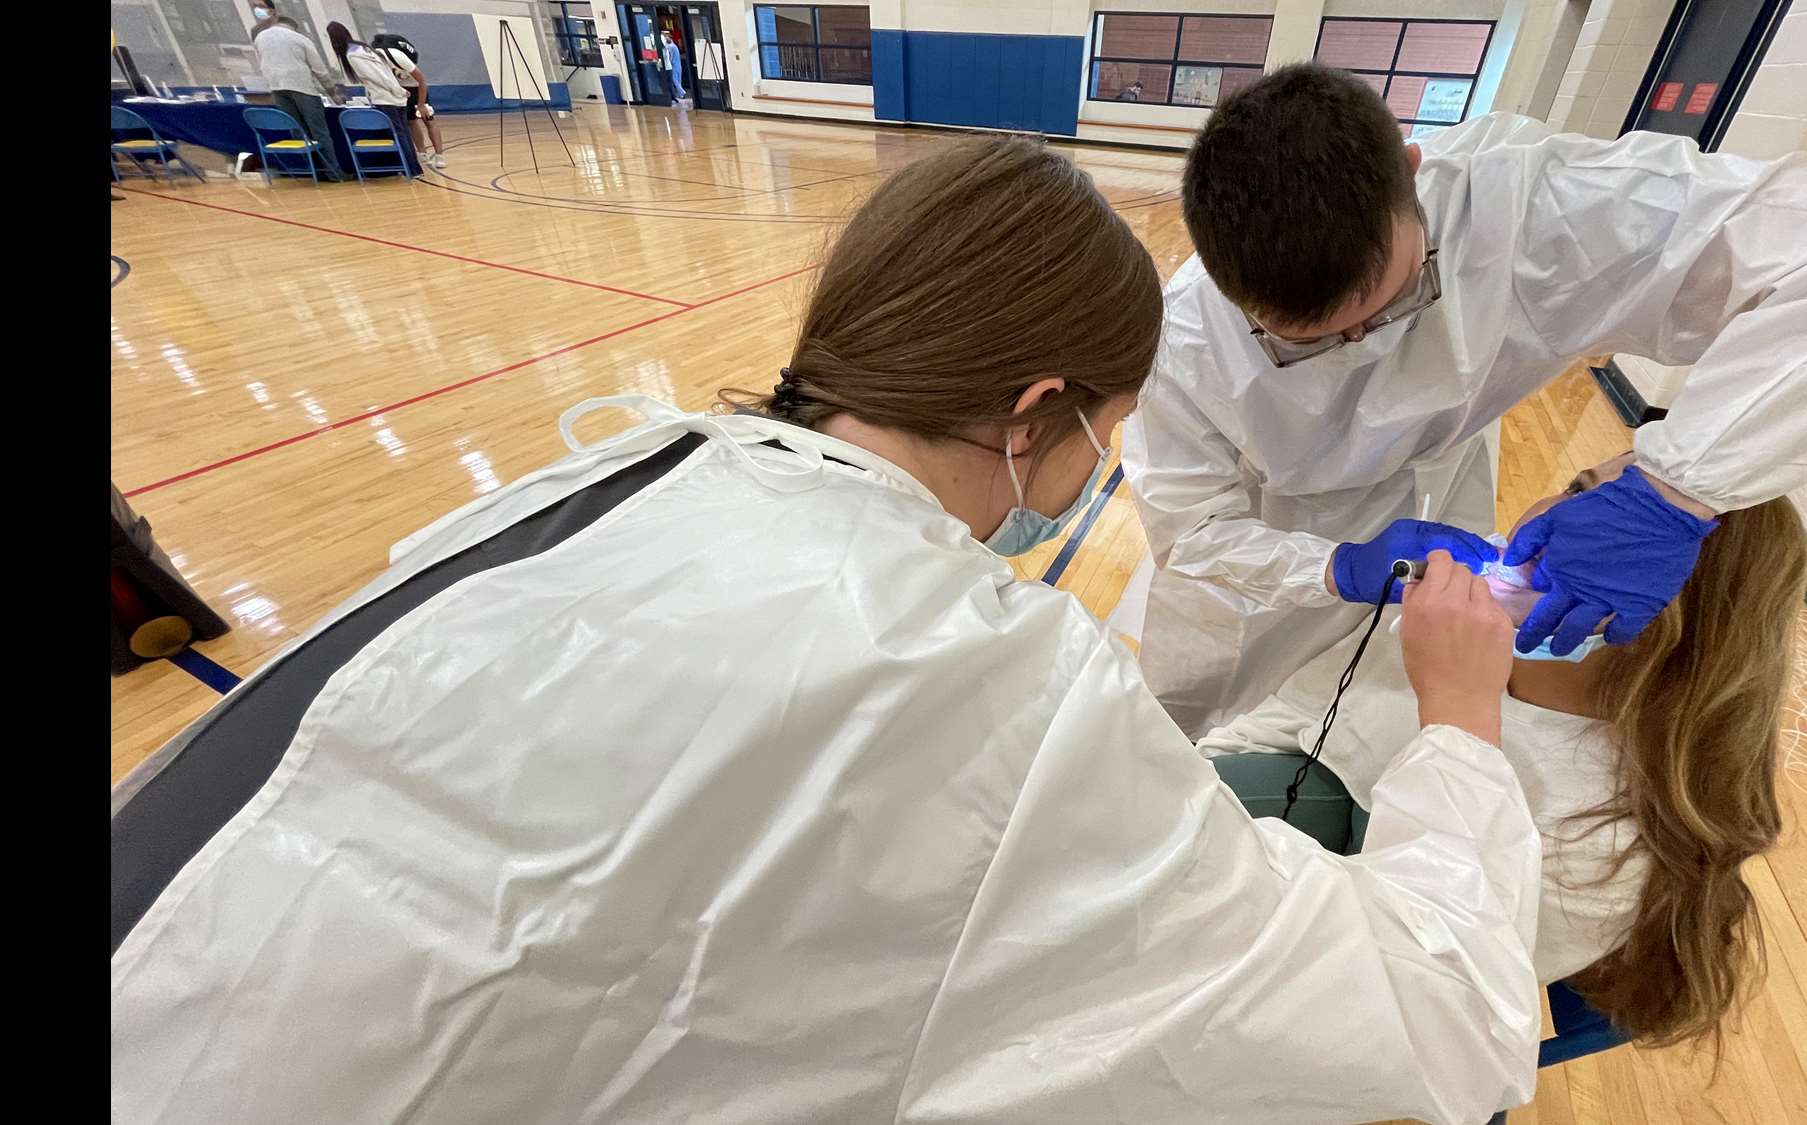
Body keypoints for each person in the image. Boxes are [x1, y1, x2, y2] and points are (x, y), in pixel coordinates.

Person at [112, 139, 1544, 1125]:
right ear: (1038, 412)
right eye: (1105, 434)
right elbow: (1424, 1013)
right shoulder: (977, 670)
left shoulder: (626, 467)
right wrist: (1462, 727)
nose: (1102, 472)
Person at [1121, 63, 1807, 734]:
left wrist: (1674, 490)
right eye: (1309, 345)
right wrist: (1339, 564)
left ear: (1414, 175)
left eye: (1393, 305)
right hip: (1275, 541)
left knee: (1397, 711)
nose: (1367, 350)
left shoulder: (1534, 208)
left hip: (1438, 487)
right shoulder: (1186, 342)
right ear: (1222, 283)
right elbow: (1192, 533)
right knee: (1203, 724)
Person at [1198, 449, 1807, 1049]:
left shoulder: (1604, 837)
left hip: (1397, 1002)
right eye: (1576, 489)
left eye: (1607, 535)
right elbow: (1292, 719)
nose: (1557, 523)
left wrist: (1456, 712)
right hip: (1326, 880)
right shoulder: (1459, 626)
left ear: (1673, 613)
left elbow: (1412, 1006)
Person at [248, 2, 349, 181]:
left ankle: (314, 172)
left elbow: (263, 63)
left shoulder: (260, 38)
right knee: (319, 132)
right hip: (303, 88)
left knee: (298, 132)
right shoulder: (299, 38)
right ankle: (334, 173)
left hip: (277, 88)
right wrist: (332, 93)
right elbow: (320, 70)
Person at [326, 21, 416, 167]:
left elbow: (378, 77)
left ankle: (410, 168)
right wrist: (398, 89)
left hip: (386, 98)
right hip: (395, 97)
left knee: (399, 134)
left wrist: (397, 89)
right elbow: (384, 73)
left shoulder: (353, 55)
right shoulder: (364, 48)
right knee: (403, 132)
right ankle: (413, 167)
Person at [373, 32, 444, 168]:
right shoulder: (375, 58)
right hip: (401, 90)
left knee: (428, 120)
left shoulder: (397, 55)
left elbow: (422, 80)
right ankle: (422, 152)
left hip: (417, 88)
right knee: (411, 122)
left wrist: (422, 104)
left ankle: (440, 155)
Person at [664, 27, 687, 104]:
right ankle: (681, 94)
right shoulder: (675, 46)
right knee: (678, 80)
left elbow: (670, 57)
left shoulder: (670, 47)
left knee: (674, 80)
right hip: (679, 65)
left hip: (674, 65)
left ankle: (682, 92)